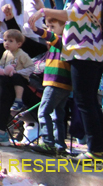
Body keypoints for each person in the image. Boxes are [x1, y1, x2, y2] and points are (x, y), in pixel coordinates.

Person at [28, 0, 103, 161]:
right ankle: (99, 150)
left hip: (86, 52)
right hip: (89, 51)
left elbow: (75, 14)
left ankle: (96, 151)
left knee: (85, 101)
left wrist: (45, 11)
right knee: (89, 101)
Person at [30, 15, 71, 155]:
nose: (49, 30)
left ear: (64, 27)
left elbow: (50, 37)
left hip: (55, 82)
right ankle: (59, 145)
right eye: (48, 26)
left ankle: (48, 142)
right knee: (57, 115)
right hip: (63, 84)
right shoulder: (59, 44)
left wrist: (36, 30)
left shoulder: (61, 41)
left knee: (43, 111)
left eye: (53, 27)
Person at [0, 30, 33, 112]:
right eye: (5, 40)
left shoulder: (22, 54)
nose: (6, 43)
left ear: (19, 44)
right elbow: (2, 65)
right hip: (9, 76)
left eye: (10, 41)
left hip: (21, 78)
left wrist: (19, 72)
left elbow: (31, 67)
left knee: (16, 77)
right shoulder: (6, 53)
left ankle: (18, 100)